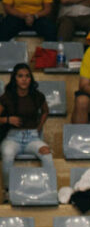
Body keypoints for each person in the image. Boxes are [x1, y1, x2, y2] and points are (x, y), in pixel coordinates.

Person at [0, 64, 54, 199]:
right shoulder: (7, 97)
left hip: (32, 138)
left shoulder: (37, 96)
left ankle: (50, 190)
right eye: (20, 76)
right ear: (15, 79)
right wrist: (7, 119)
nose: (24, 79)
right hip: (13, 137)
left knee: (47, 154)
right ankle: (8, 191)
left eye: (27, 76)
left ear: (31, 79)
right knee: (7, 154)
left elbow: (45, 111)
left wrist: (39, 126)